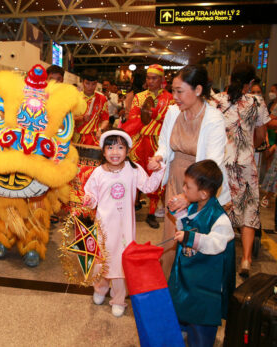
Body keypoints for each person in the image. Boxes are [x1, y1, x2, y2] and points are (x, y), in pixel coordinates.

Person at [148, 65, 231, 279]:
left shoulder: (213, 118)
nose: (174, 96)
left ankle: (187, 290)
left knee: (193, 238)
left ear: (198, 90)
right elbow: (165, 143)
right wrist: (160, 157)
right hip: (177, 180)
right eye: (173, 90)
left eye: (179, 91)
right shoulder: (173, 112)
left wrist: (188, 195)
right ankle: (169, 285)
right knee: (171, 235)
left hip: (200, 187)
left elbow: (212, 163)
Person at [83, 130, 165, 317]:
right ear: (103, 151)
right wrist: (89, 199)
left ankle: (119, 298)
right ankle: (100, 288)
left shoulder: (133, 170)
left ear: (127, 150)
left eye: (120, 147)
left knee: (121, 262)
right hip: (103, 226)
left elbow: (149, 187)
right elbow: (91, 195)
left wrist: (158, 171)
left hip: (124, 228)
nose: (115, 152)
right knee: (102, 259)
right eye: (110, 147)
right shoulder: (97, 172)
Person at [209, 62, 270, 277]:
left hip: (221, 163)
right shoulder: (257, 102)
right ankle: (245, 259)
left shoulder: (216, 101)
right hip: (245, 163)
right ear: (251, 82)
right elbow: (261, 136)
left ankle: (215, 253)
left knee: (221, 205)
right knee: (249, 209)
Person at [168, 160, 235, 347]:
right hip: (188, 273)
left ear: (204, 193)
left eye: (187, 186)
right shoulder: (193, 205)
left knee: (200, 319)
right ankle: (182, 333)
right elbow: (186, 224)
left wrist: (190, 238)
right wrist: (179, 216)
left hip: (205, 280)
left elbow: (217, 243)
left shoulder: (219, 217)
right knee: (182, 304)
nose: (183, 189)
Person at [123, 64, 174, 229]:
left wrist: (155, 115)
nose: (150, 81)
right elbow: (133, 117)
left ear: (161, 79)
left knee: (155, 176)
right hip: (140, 140)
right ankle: (132, 206)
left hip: (158, 143)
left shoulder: (170, 99)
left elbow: (169, 120)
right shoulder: (139, 96)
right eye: (148, 78)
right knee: (135, 173)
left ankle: (151, 213)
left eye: (154, 78)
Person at [73, 69, 109, 146]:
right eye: (87, 83)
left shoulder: (102, 99)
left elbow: (105, 119)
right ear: (82, 82)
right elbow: (69, 119)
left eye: (93, 84)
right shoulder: (75, 98)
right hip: (77, 137)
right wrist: (81, 118)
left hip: (94, 137)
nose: (90, 87)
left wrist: (101, 130)